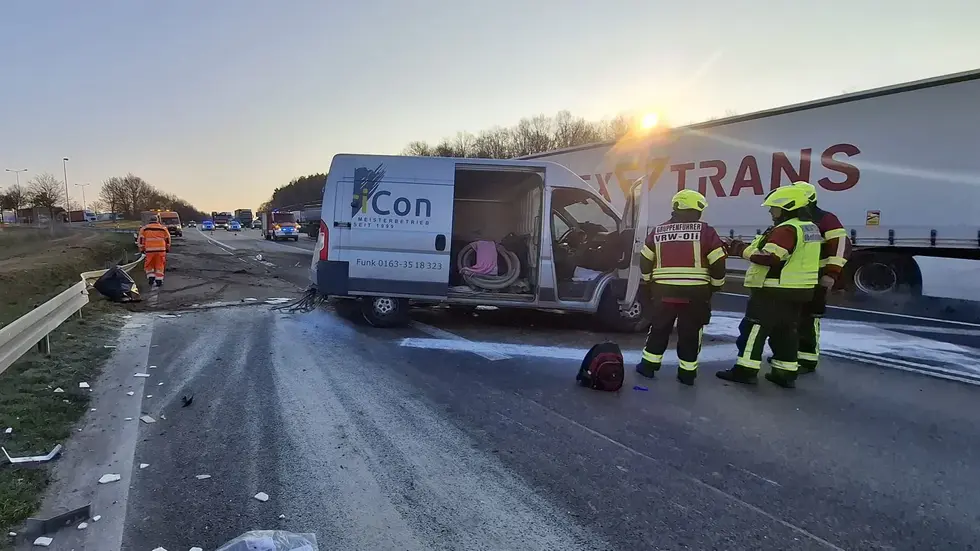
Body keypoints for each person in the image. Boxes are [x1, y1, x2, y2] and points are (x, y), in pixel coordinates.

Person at [717, 185, 821, 388]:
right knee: (786, 331)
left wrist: (741, 250)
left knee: (754, 328)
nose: (771, 212)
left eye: (774, 208)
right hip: (800, 290)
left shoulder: (787, 229)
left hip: (774, 289)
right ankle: (785, 373)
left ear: (788, 207)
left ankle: (745, 370)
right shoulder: (809, 228)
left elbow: (770, 258)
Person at [635, 189, 727, 386]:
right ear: (696, 210)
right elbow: (718, 262)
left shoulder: (658, 231)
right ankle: (687, 374)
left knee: (659, 328)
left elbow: (645, 258)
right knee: (691, 332)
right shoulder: (706, 231)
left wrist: (649, 280)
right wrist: (716, 284)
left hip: (663, 290)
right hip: (695, 292)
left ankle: (648, 367)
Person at [793, 181, 851, 374]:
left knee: (809, 319)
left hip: (817, 276)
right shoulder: (796, 218)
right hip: (796, 277)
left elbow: (841, 246)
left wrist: (831, 274)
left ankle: (807, 359)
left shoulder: (826, 219)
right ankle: (791, 355)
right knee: (793, 317)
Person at [138, 215, 171, 288]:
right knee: (160, 265)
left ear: (149, 220)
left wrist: (141, 249)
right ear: (157, 220)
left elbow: (140, 240)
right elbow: (168, 239)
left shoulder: (144, 229)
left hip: (149, 250)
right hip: (161, 250)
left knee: (149, 264)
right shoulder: (163, 228)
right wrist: (167, 248)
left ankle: (151, 277)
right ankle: (159, 280)